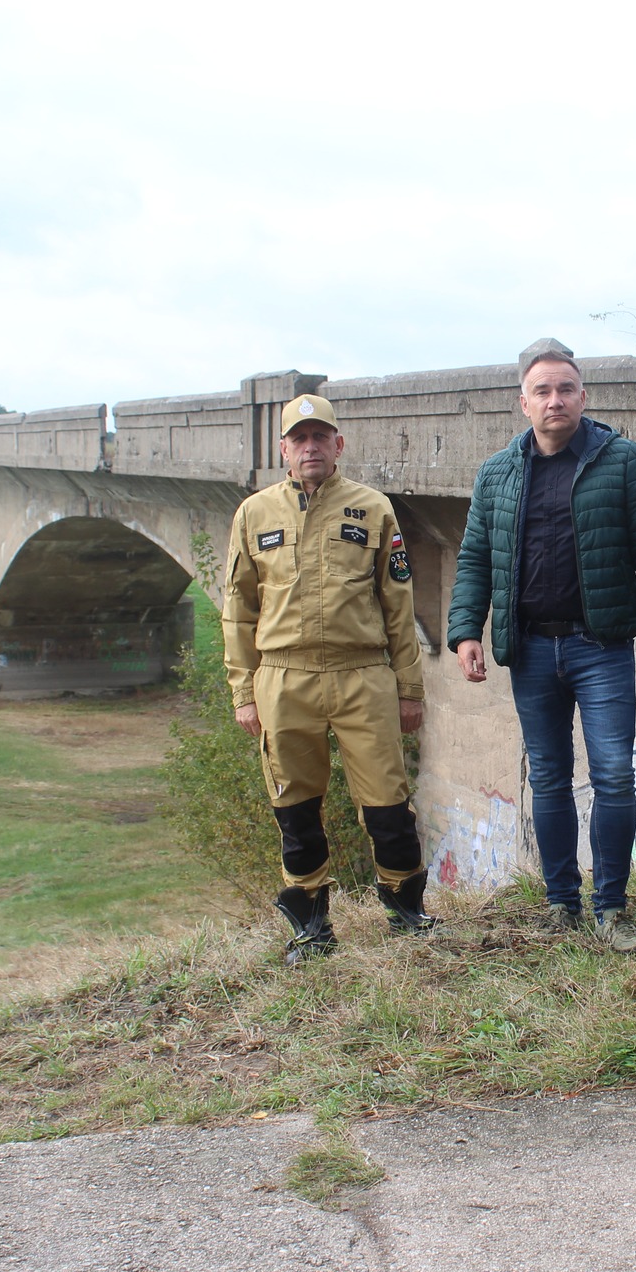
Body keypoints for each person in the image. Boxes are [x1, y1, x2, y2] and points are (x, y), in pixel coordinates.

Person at [448, 345, 636, 953]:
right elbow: (475, 557)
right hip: (529, 650)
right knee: (549, 778)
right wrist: (466, 630)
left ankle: (612, 908)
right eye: (544, 391)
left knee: (612, 776)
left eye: (567, 389)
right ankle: (561, 903)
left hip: (599, 646)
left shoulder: (622, 461)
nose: (556, 401)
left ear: (583, 396)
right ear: (523, 401)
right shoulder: (498, 472)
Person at [223, 393, 432, 964]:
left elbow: (399, 606)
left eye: (321, 437)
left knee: (388, 803)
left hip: (362, 676)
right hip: (283, 679)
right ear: (284, 449)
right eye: (300, 439)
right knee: (295, 806)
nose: (310, 447)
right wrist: (244, 694)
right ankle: (311, 924)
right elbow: (238, 611)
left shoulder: (373, 509)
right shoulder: (254, 514)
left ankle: (406, 910)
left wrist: (409, 689)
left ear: (339, 445)